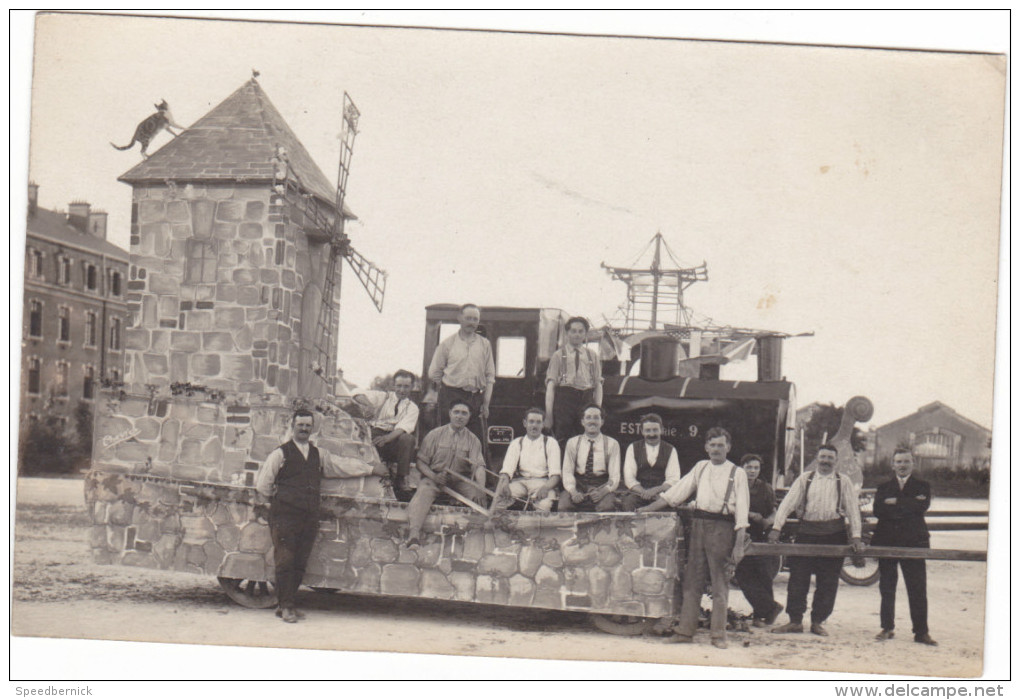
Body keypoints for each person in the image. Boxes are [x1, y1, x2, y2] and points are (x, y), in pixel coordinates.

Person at [254, 409, 385, 623]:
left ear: (312, 428)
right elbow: (263, 485)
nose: (304, 429)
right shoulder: (280, 453)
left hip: (309, 516)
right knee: (285, 561)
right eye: (300, 425)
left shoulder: (318, 454)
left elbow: (341, 466)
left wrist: (370, 469)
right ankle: (286, 607)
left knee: (300, 563)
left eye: (307, 425)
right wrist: (275, 506)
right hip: (285, 516)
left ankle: (286, 604)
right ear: (292, 426)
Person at [639, 427, 750, 649]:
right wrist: (648, 509)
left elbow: (742, 513)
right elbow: (675, 493)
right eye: (713, 445)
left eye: (721, 445)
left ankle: (718, 635)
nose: (716, 449)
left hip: (723, 528)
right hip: (699, 525)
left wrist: (739, 544)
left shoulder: (737, 473)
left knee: (719, 583)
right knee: (692, 581)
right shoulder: (700, 467)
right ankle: (685, 631)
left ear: (728, 447)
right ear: (706, 447)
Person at [768, 443, 865, 637]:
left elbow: (853, 511)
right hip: (807, 534)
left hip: (834, 535)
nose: (825, 461)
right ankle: (795, 621)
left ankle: (817, 621)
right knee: (798, 579)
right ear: (817, 459)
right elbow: (787, 504)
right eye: (823, 457)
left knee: (828, 582)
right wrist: (776, 528)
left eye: (830, 458)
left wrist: (856, 537)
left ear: (836, 461)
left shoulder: (843, 481)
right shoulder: (805, 479)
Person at [873, 449, 937, 646]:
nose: (902, 465)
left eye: (906, 462)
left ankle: (921, 632)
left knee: (917, 588)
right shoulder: (883, 486)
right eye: (898, 462)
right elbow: (878, 510)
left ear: (913, 463)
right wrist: (908, 505)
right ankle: (887, 627)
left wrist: (895, 503)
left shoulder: (923, 486)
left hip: (914, 543)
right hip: (887, 542)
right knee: (887, 587)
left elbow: (921, 507)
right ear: (892, 464)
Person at [404, 401, 488, 547]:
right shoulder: (434, 435)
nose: (459, 416)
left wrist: (481, 488)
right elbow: (420, 463)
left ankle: (476, 541)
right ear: (450, 413)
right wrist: (434, 476)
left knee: (478, 497)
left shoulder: (474, 440)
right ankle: (414, 535)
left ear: (469, 416)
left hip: (459, 481)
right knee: (423, 492)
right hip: (434, 477)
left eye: (464, 413)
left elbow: (479, 467)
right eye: (456, 412)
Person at [427, 303, 495, 442]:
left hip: (474, 398)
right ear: (459, 318)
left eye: (475, 319)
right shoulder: (447, 344)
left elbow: (489, 376)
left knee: (474, 440)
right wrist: (449, 386)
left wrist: (486, 404)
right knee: (448, 439)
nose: (472, 322)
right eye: (468, 318)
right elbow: (434, 372)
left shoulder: (485, 344)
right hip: (450, 397)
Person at [733, 453, 783, 627]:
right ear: (742, 468)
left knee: (763, 576)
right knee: (743, 575)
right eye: (749, 467)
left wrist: (766, 522)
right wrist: (749, 515)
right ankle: (770, 608)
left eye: (756, 468)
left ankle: (761, 616)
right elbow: (730, 507)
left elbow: (774, 512)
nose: (752, 471)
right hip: (741, 535)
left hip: (760, 536)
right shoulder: (735, 486)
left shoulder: (765, 488)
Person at [353, 369, 419, 496]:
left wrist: (387, 438)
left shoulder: (413, 408)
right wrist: (369, 406)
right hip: (375, 435)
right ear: (393, 386)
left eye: (406, 386)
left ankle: (402, 477)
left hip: (394, 441)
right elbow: (356, 393)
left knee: (408, 439)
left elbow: (403, 428)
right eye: (399, 386)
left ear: (412, 387)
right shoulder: (383, 397)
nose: (402, 390)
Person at [545, 316, 603, 442]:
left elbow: (598, 384)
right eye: (573, 331)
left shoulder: (592, 356)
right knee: (562, 437)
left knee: (586, 438)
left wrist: (598, 411)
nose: (577, 335)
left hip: (586, 398)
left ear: (585, 334)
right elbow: (550, 385)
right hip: (565, 400)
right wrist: (549, 416)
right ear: (567, 333)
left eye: (580, 331)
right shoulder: (558, 355)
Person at [494, 408, 561, 512]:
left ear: (543, 424)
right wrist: (505, 484)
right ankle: (502, 528)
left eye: (538, 422)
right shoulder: (517, 442)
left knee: (543, 506)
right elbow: (506, 470)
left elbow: (555, 475)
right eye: (531, 422)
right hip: (520, 482)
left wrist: (545, 488)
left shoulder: (550, 443)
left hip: (542, 482)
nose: (534, 426)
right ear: (525, 423)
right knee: (498, 502)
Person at [559, 404, 621, 512]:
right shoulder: (573, 442)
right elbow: (567, 471)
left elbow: (614, 476)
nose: (592, 421)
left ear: (602, 421)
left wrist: (603, 492)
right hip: (578, 483)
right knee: (564, 506)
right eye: (588, 417)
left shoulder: (612, 443)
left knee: (606, 507)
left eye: (596, 417)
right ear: (582, 422)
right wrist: (573, 492)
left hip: (601, 484)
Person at [619, 413, 681, 512]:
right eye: (648, 430)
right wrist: (645, 493)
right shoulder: (633, 448)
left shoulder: (670, 449)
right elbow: (629, 479)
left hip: (661, 494)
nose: (651, 434)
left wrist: (655, 491)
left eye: (655, 430)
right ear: (642, 431)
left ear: (661, 430)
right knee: (628, 503)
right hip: (638, 493)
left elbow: (673, 479)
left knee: (670, 506)